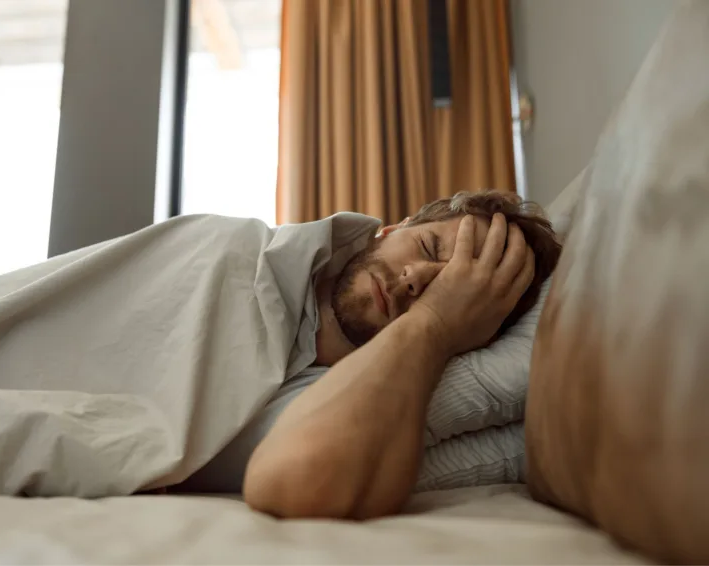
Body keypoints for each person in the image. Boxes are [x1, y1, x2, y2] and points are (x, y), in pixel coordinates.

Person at [177, 190, 561, 519]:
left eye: (448, 288)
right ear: (391, 231)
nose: (415, 278)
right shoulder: (241, 253)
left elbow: (301, 480)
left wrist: (434, 324)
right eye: (427, 246)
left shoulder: (332, 397)